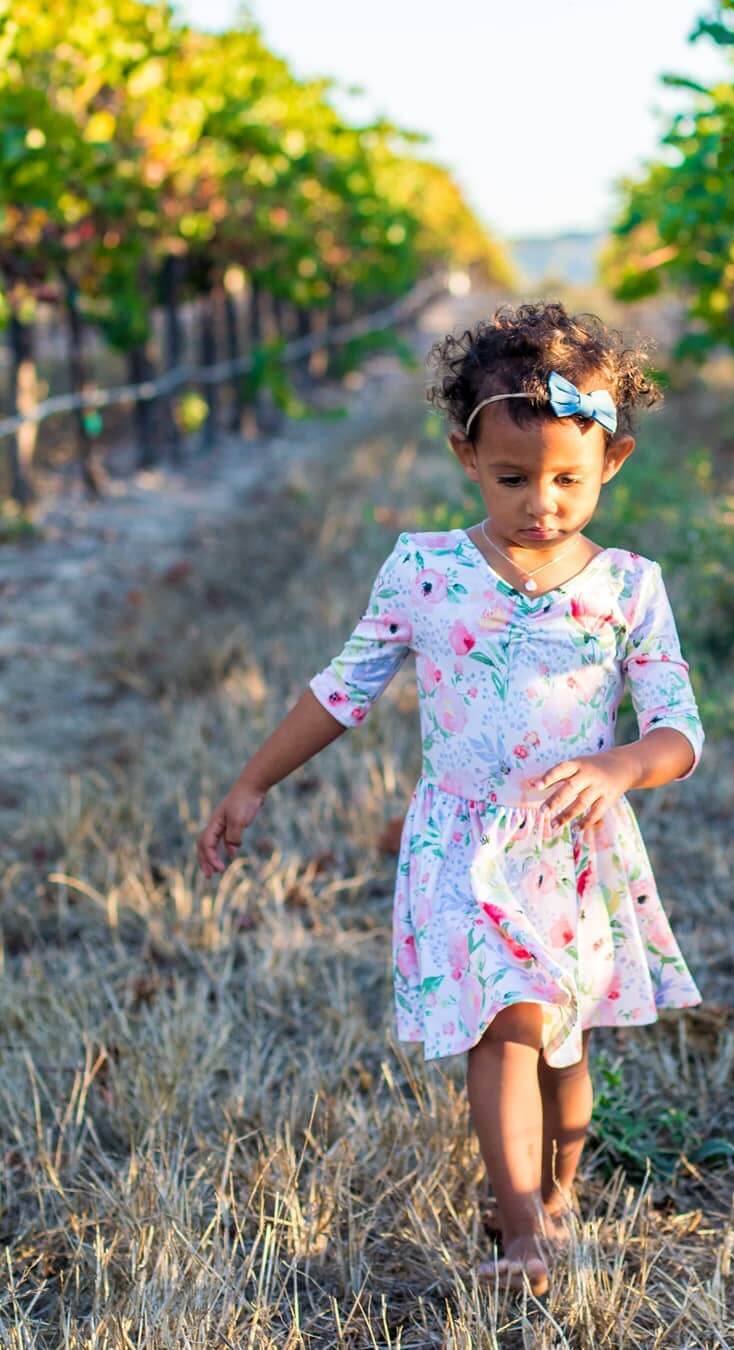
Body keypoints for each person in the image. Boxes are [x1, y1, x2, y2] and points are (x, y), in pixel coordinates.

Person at [196, 300, 705, 1297]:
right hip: (465, 848)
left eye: (567, 479)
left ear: (615, 461)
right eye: (514, 479)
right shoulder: (425, 570)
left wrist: (620, 767)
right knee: (507, 1026)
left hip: (572, 853)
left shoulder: (629, 585)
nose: (541, 505)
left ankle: (556, 1193)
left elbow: (679, 728)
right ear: (465, 454)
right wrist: (254, 781)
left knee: (565, 1049)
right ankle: (521, 1233)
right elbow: (342, 688)